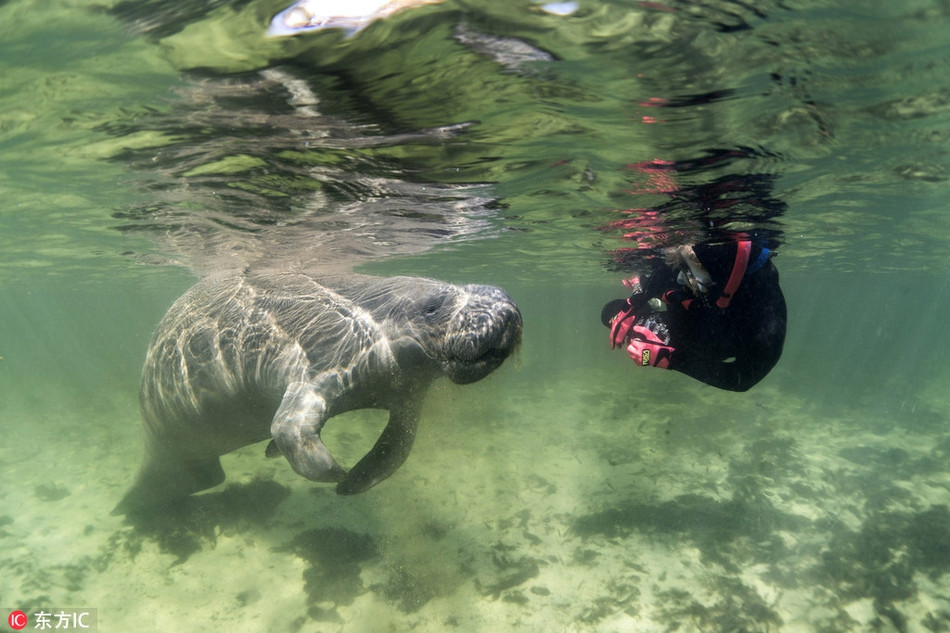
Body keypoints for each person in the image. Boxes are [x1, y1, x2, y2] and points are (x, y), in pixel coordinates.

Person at [601, 240, 786, 392]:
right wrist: (636, 300)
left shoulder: (764, 317)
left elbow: (741, 379)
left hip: (715, 333)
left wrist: (669, 359)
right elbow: (672, 267)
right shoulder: (704, 265)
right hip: (705, 318)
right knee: (614, 314)